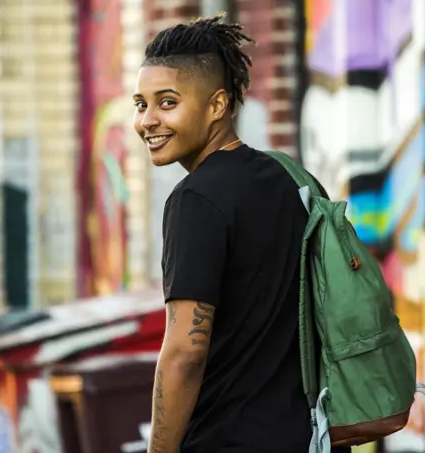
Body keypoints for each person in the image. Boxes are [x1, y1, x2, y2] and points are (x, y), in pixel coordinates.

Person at [133, 14, 346, 453]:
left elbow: (185, 352)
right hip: (313, 437)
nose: (147, 121)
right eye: (141, 104)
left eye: (167, 103)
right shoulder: (297, 181)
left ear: (217, 105)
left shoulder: (195, 201)